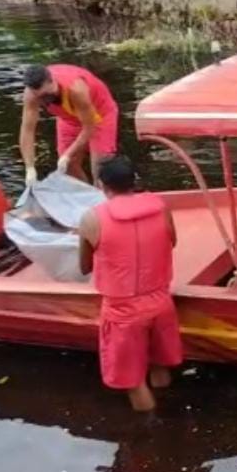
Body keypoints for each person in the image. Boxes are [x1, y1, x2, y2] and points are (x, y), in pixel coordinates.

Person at [79, 156, 181, 412]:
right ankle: (170, 413)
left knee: (133, 381)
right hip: (160, 300)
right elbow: (172, 240)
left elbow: (84, 267)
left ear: (102, 185)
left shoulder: (92, 218)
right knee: (159, 364)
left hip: (123, 311)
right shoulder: (160, 207)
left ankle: (150, 435)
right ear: (133, 182)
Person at [20, 64, 119, 184]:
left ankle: (103, 197)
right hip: (68, 118)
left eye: (46, 95)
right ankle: (85, 195)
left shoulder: (76, 89)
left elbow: (89, 127)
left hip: (99, 115)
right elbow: (27, 130)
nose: (44, 101)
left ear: (52, 81)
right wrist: (29, 168)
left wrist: (68, 154)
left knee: (101, 170)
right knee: (68, 167)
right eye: (39, 97)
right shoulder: (31, 95)